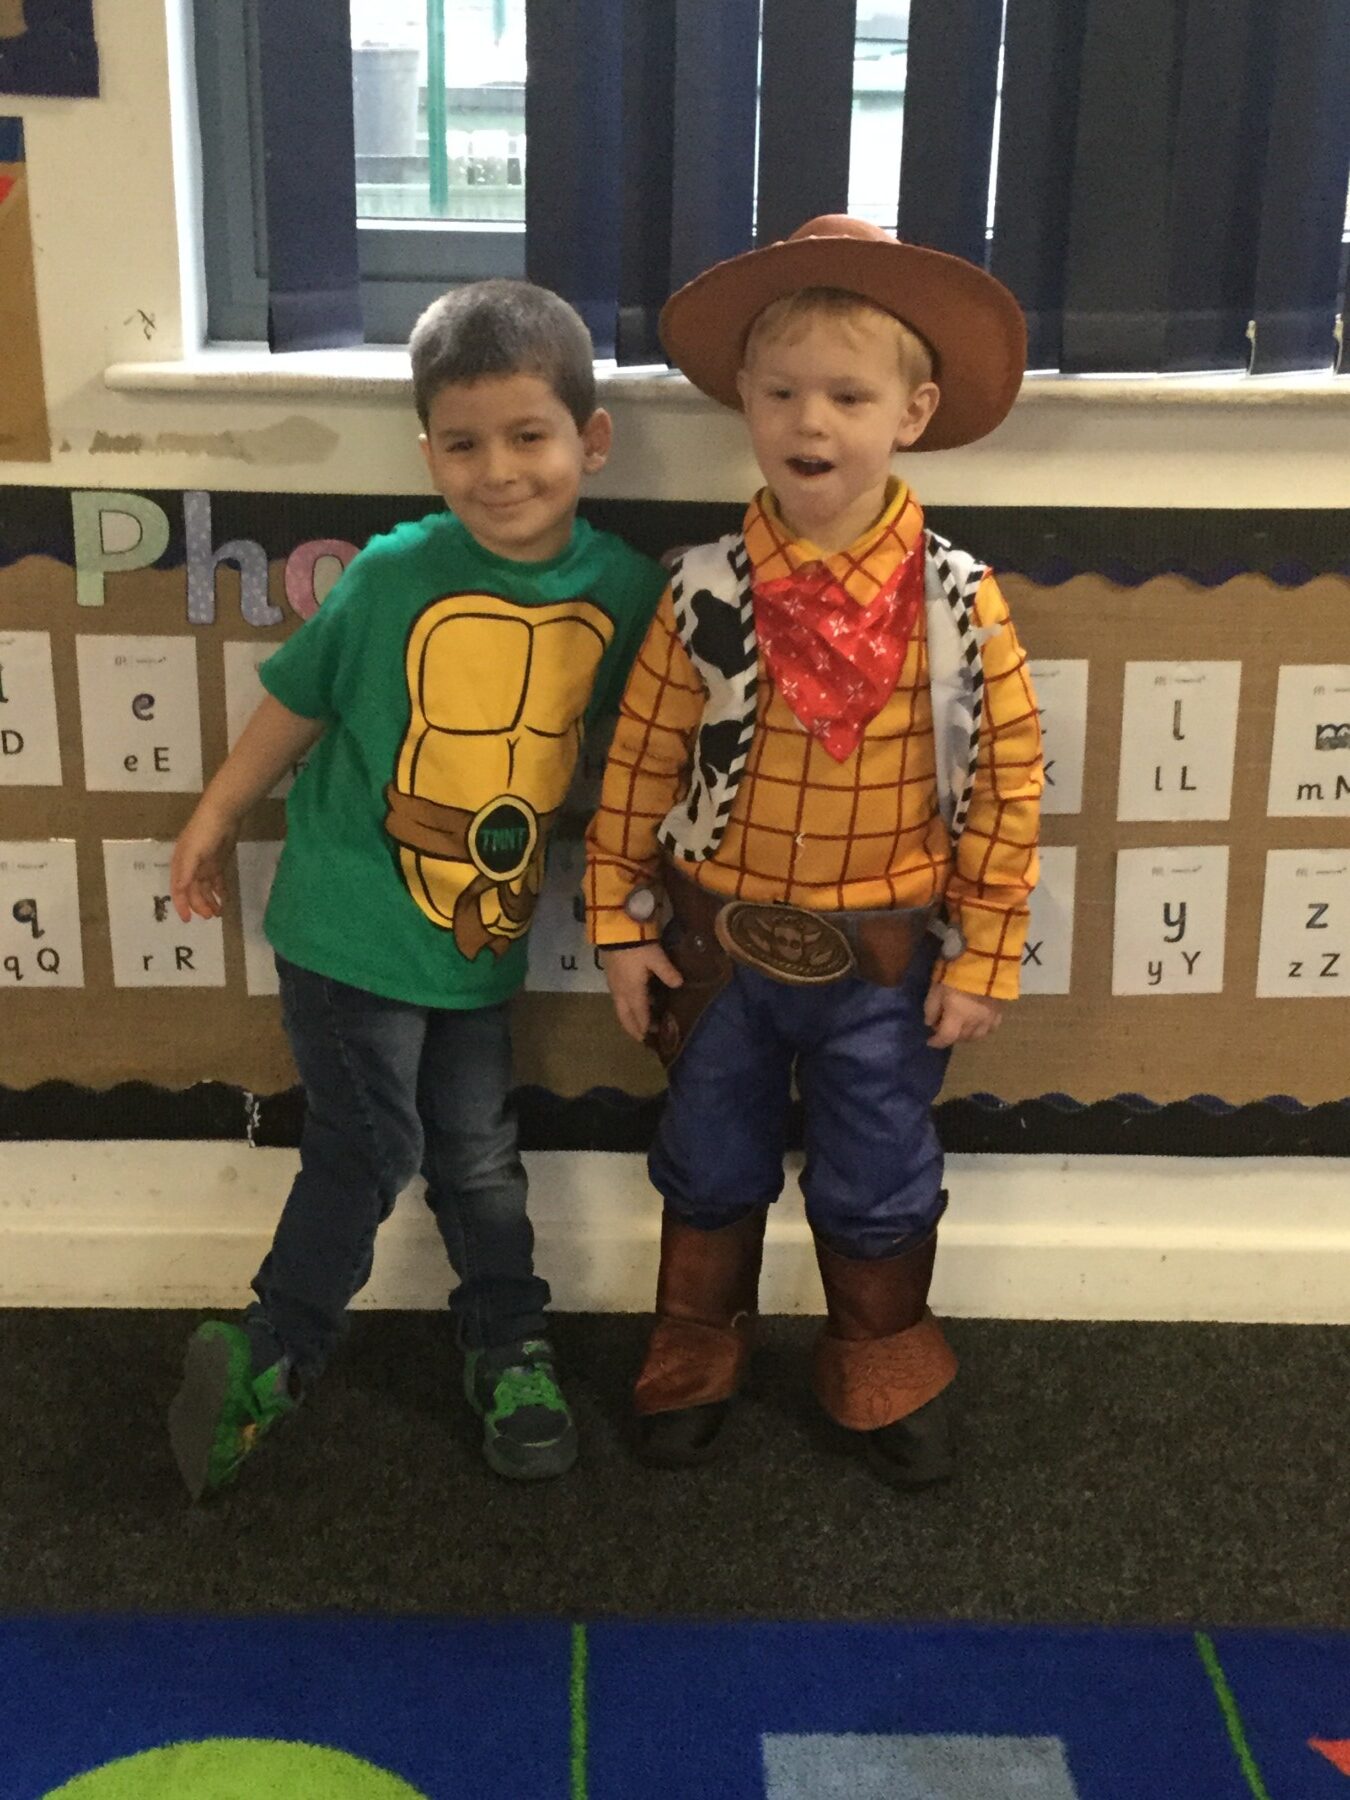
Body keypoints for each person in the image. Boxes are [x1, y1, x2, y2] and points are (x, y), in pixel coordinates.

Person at [167, 279, 666, 1499]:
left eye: (528, 435)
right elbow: (298, 699)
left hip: (476, 945)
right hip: (348, 929)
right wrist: (217, 812)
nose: (498, 471)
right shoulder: (394, 575)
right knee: (371, 1144)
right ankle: (271, 1352)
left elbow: (646, 749)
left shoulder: (622, 594)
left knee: (481, 1157)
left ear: (592, 439)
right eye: (463, 443)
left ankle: (510, 1346)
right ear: (428, 452)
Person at [584, 216, 1043, 1488]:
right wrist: (618, 925)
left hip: (886, 964)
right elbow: (639, 765)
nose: (811, 420)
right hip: (715, 953)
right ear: (745, 399)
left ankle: (882, 1354)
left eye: (848, 394)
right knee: (707, 1152)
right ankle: (696, 1343)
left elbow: (1007, 787)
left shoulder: (962, 601)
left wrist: (986, 954)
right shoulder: (699, 590)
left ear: (913, 411)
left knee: (880, 1165)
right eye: (782, 392)